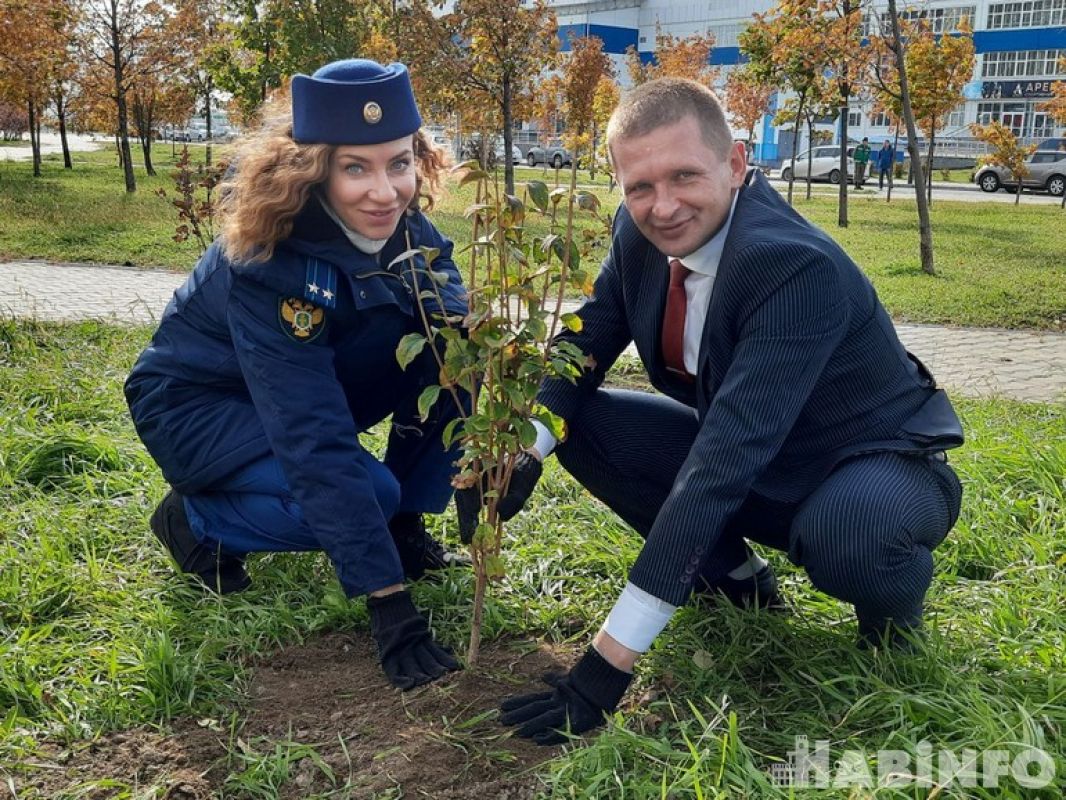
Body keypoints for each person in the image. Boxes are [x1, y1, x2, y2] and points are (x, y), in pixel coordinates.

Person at [488, 78, 963, 745]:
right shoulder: (638, 232)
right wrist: (523, 447)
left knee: (854, 532)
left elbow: (722, 462)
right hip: (758, 463)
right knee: (580, 423)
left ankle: (893, 618)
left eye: (685, 175)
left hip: (870, 465)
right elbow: (580, 350)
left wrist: (606, 666)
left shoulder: (793, 265)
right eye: (640, 186)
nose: (664, 206)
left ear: (736, 164)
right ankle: (734, 577)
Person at [125, 59, 467, 690]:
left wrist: (474, 472)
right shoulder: (269, 262)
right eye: (355, 168)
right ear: (313, 169)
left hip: (300, 390)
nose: (385, 191)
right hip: (200, 406)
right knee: (370, 491)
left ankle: (404, 519)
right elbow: (311, 432)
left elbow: (457, 350)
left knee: (450, 353)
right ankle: (195, 521)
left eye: (399, 163)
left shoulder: (404, 227)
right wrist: (386, 598)